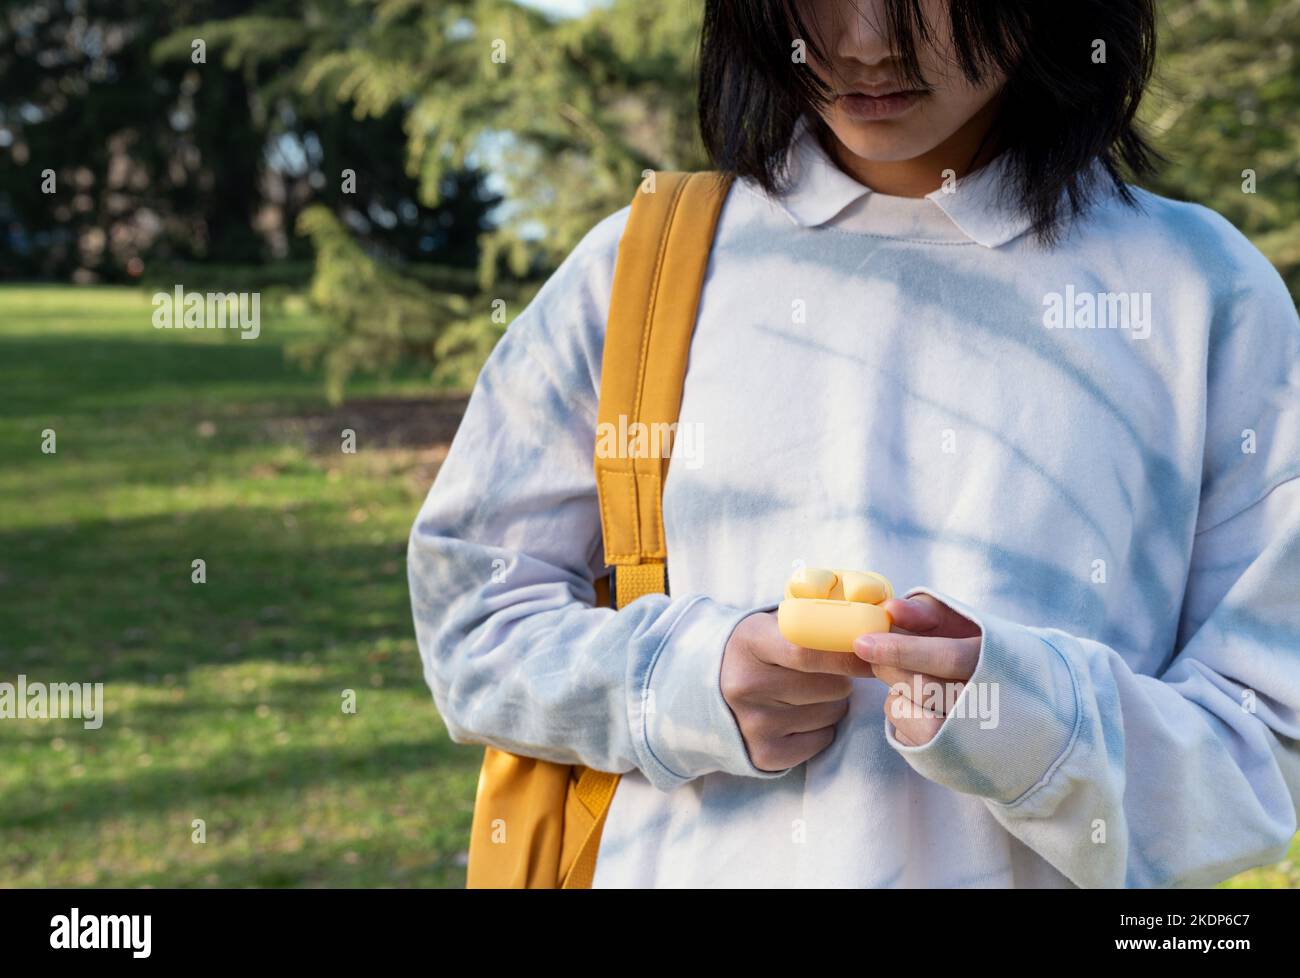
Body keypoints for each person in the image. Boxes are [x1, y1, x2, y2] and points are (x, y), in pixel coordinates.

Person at [407, 0, 1300, 887]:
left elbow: (1271, 746)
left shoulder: (1201, 295)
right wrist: (683, 683)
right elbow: (473, 620)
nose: (865, 45)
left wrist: (1036, 723)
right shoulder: (641, 270)